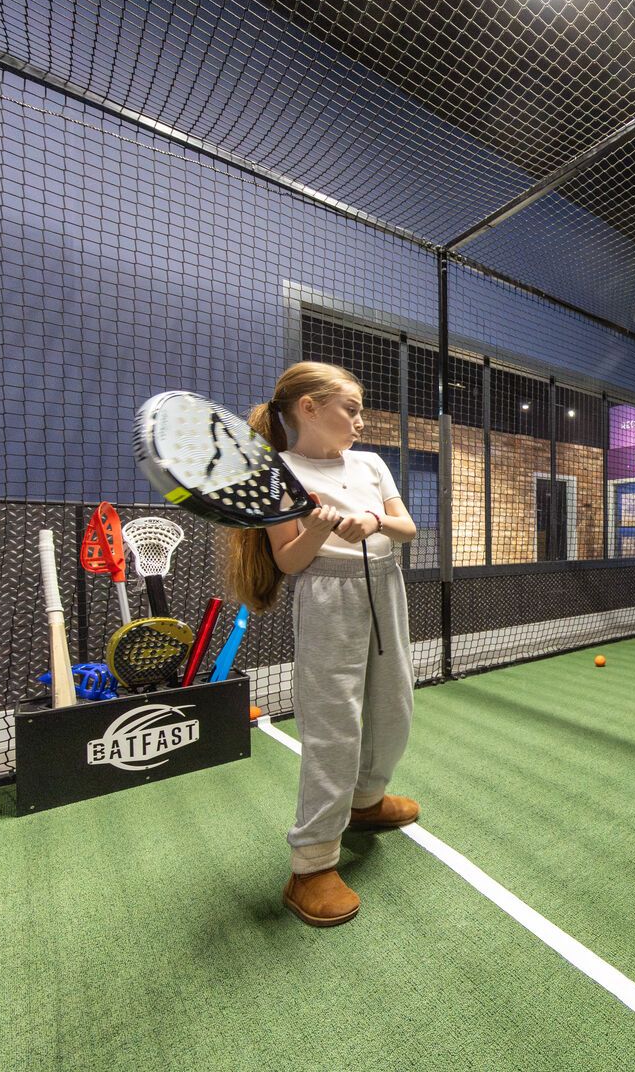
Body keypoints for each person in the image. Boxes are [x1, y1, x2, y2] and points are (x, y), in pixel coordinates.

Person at [223, 361, 419, 927]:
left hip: (386, 588)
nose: (359, 421)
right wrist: (316, 526)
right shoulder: (275, 472)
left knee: (394, 709)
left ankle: (365, 802)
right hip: (327, 596)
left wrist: (372, 523)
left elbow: (406, 528)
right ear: (309, 407)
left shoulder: (371, 463)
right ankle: (310, 865)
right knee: (334, 725)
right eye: (350, 409)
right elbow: (287, 560)